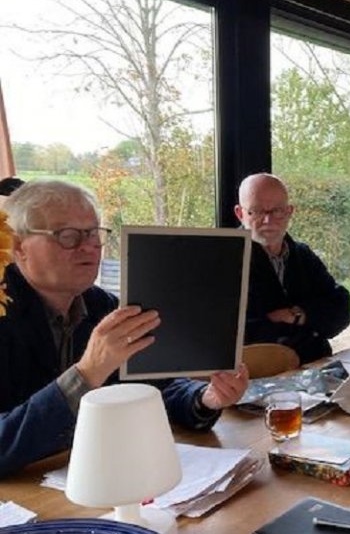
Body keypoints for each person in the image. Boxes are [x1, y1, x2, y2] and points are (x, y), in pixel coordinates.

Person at [0, 180, 249, 478]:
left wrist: (206, 398)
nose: (89, 247)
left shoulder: (102, 306)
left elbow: (160, 386)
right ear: (18, 247)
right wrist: (87, 374)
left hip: (97, 480)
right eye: (67, 236)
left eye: (93, 234)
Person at [236, 173, 350, 364]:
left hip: (313, 368)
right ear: (240, 214)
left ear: (289, 211)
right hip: (255, 378)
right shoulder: (224, 260)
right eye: (256, 211)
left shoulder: (302, 255)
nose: (267, 220)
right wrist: (311, 324)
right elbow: (237, 334)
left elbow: (341, 310)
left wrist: (294, 315)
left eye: (277, 211)